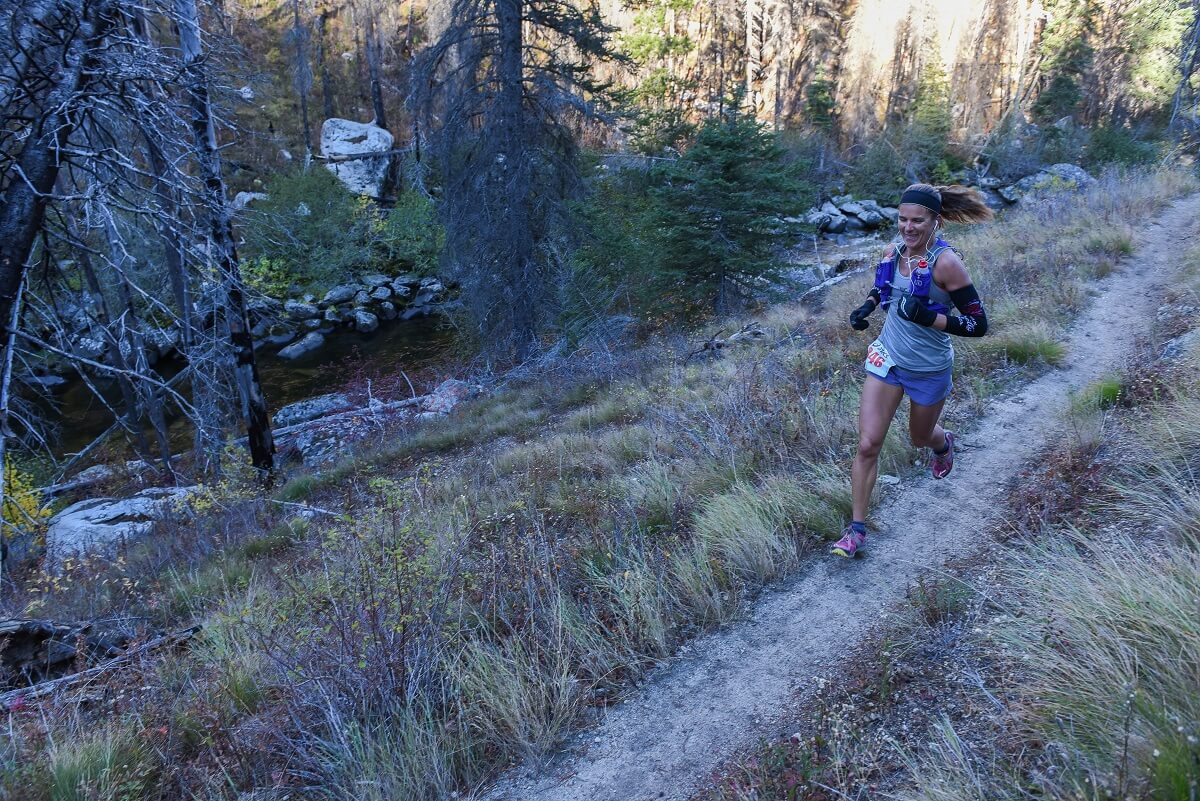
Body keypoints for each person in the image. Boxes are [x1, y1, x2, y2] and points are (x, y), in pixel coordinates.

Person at [831, 183, 993, 558]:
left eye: (917, 221)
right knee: (868, 444)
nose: (908, 227)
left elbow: (978, 324)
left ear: (936, 221)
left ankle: (942, 443)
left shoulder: (947, 263)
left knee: (919, 437)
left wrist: (930, 318)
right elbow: (882, 287)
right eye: (902, 219)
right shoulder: (894, 251)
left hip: (929, 367)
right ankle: (856, 530)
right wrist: (866, 308)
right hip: (888, 358)